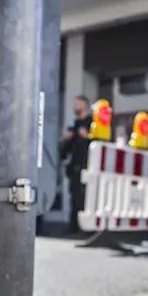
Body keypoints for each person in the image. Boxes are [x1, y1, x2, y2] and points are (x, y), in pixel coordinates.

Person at [60, 96, 93, 235]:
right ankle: (73, 226)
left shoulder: (92, 123)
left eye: (78, 104)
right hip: (74, 167)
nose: (75, 107)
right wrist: (66, 140)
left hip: (88, 166)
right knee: (74, 197)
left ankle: (88, 228)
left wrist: (88, 137)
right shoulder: (73, 125)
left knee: (87, 198)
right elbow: (64, 148)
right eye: (74, 105)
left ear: (85, 106)